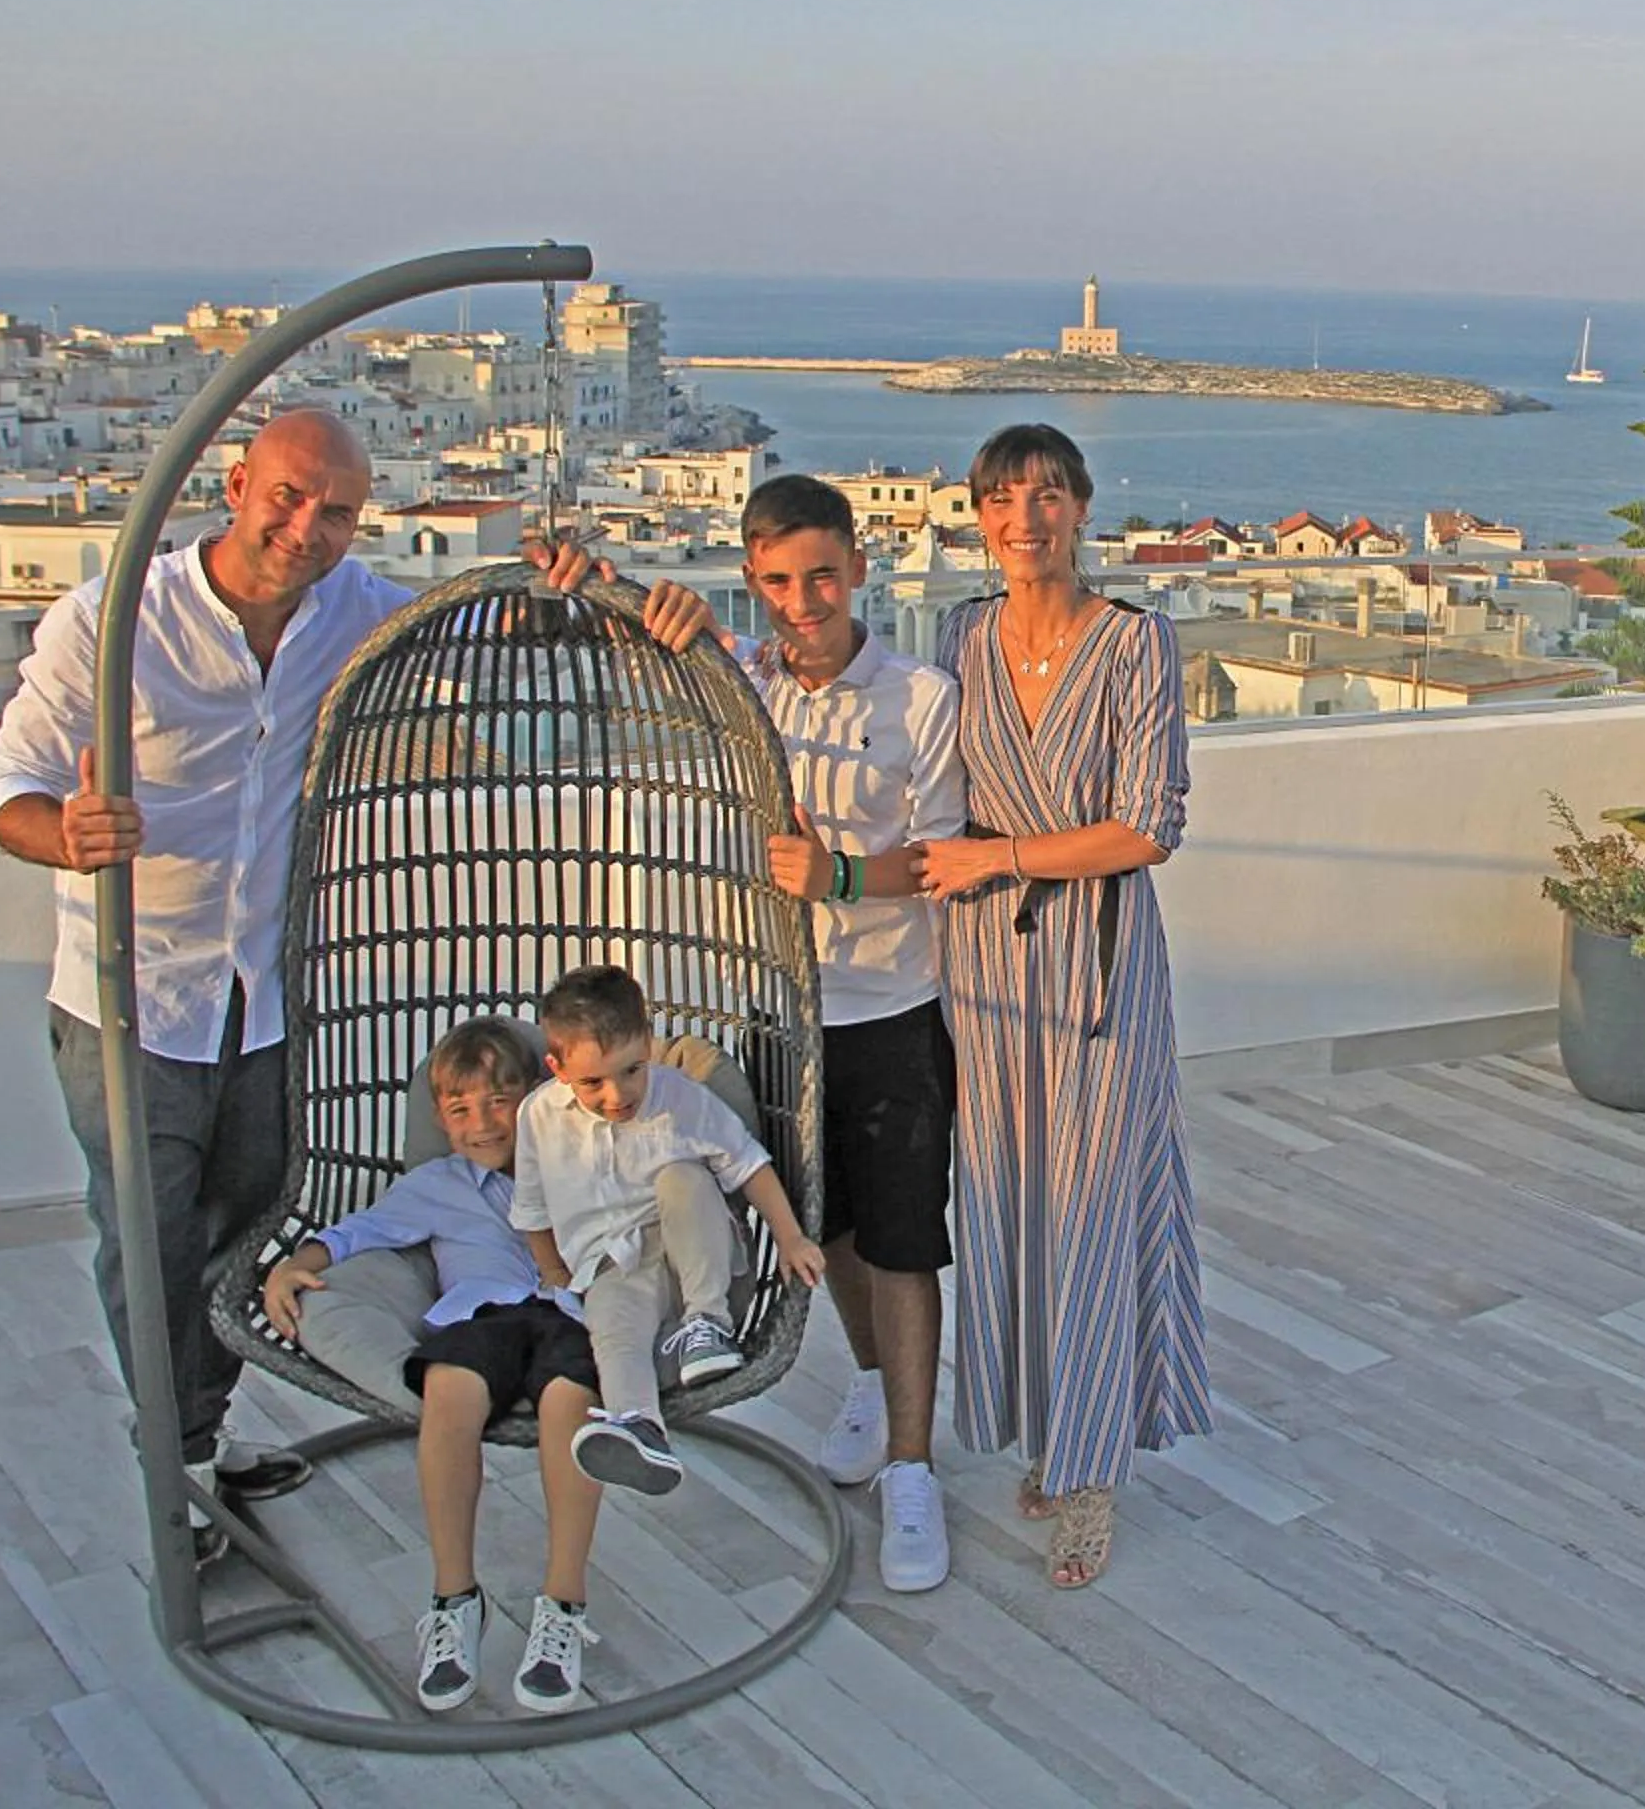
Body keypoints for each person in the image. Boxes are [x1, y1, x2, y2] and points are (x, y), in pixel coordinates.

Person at [0, 407, 604, 1565]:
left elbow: (480, 634)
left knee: (238, 1234)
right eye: (290, 495)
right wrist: (64, 833)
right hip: (133, 999)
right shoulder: (116, 621)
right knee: (148, 1241)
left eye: (339, 511)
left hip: (265, 999)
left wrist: (557, 584)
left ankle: (201, 1439)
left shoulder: (354, 612)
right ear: (235, 482)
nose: (307, 526)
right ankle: (177, 1470)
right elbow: (5, 780)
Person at [638, 473, 965, 1592]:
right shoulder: (749, 687)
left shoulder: (921, 694)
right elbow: (656, 637)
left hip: (893, 1007)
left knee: (908, 1240)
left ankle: (914, 1469)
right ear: (754, 581)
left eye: (820, 573)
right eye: (776, 580)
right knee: (828, 1230)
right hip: (782, 1009)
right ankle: (873, 1386)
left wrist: (834, 872)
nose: (802, 599)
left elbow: (941, 859)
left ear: (859, 567)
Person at [916, 422, 1211, 1590]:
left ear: (1082, 510)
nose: (1024, 518)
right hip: (986, 972)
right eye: (1000, 498)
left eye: (1046, 495)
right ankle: (1046, 1426)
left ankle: (1088, 1476)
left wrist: (1006, 859)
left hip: (1094, 963)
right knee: (1006, 1200)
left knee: (1091, 1204)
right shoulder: (957, 635)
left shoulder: (1138, 644)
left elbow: (1151, 825)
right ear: (977, 518)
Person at [260, 1019, 604, 1714]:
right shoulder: (436, 1185)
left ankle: (563, 1603)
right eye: (460, 1110)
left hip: (571, 1314)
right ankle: (454, 1601)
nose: (483, 1122)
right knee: (447, 1386)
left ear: (537, 1096)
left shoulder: (579, 1160)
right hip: (482, 1317)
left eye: (500, 1100)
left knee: (573, 1399)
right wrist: (295, 1265)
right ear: (443, 1124)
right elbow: (358, 1232)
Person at [512, 964, 825, 1496]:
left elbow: (748, 1164)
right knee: (612, 1325)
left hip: (698, 1252)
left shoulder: (679, 1099)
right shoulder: (538, 1117)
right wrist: (554, 1274)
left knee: (682, 1177)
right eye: (593, 1082)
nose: (617, 1094)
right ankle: (638, 1425)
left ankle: (707, 1328)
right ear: (557, 1068)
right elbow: (532, 1208)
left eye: (632, 1070)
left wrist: (791, 1236)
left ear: (649, 1045)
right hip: (613, 1263)